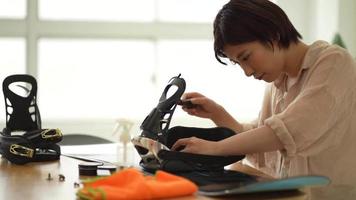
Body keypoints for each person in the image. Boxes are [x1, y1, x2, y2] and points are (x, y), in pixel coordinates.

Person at [171, 0, 356, 199]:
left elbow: (293, 130)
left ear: (273, 34)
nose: (247, 72)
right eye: (237, 62)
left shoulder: (334, 62)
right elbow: (261, 144)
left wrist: (214, 148)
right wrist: (217, 113)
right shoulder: (276, 83)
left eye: (246, 57)